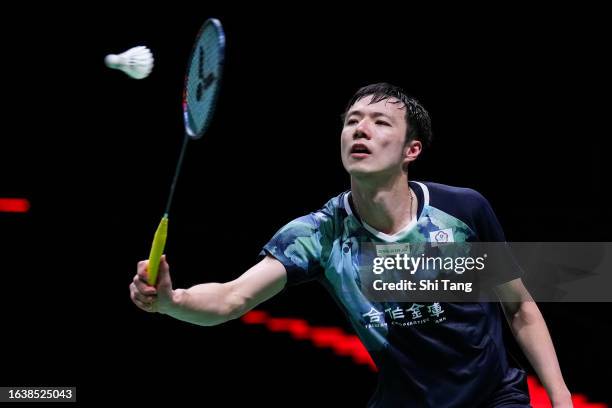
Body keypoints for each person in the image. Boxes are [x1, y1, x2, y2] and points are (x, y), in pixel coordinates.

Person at [130, 83, 572, 407]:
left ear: (410, 150)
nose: (361, 129)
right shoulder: (320, 234)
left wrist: (561, 398)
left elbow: (518, 307)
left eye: (380, 123)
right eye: (352, 121)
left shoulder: (462, 212)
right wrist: (172, 301)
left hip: (494, 397)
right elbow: (231, 297)